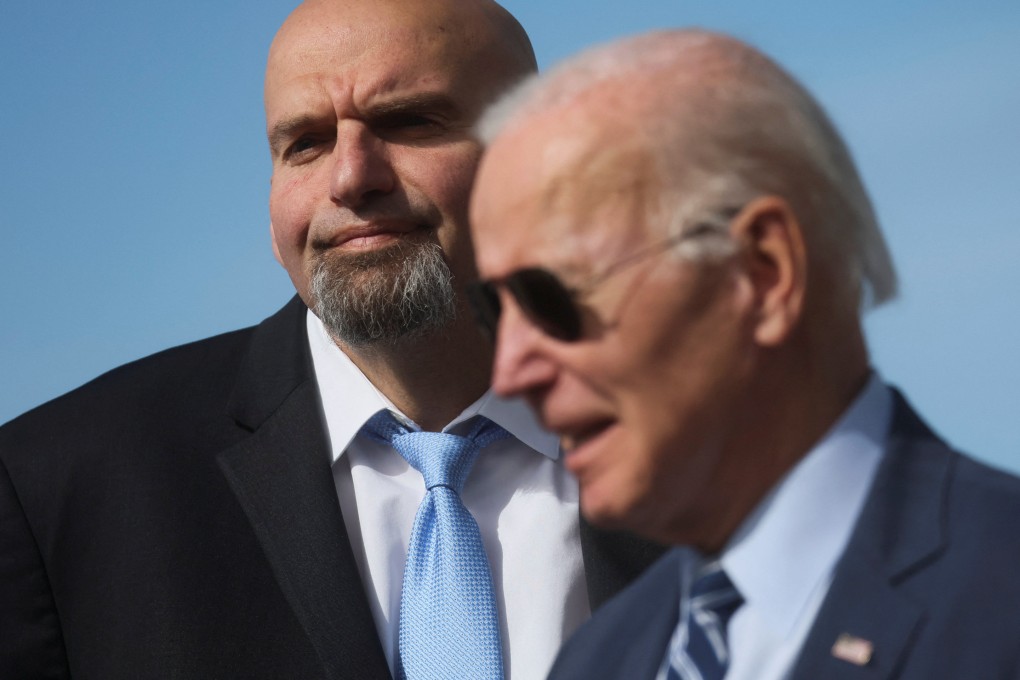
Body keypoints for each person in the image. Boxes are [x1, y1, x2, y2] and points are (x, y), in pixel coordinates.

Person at [0, 2, 661, 678]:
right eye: (305, 144)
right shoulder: (57, 492)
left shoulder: (738, 436)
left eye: (410, 121)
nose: (350, 178)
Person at [468, 28, 1020, 680]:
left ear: (761, 272)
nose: (509, 374)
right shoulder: (600, 657)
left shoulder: (999, 595)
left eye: (552, 298)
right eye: (494, 310)